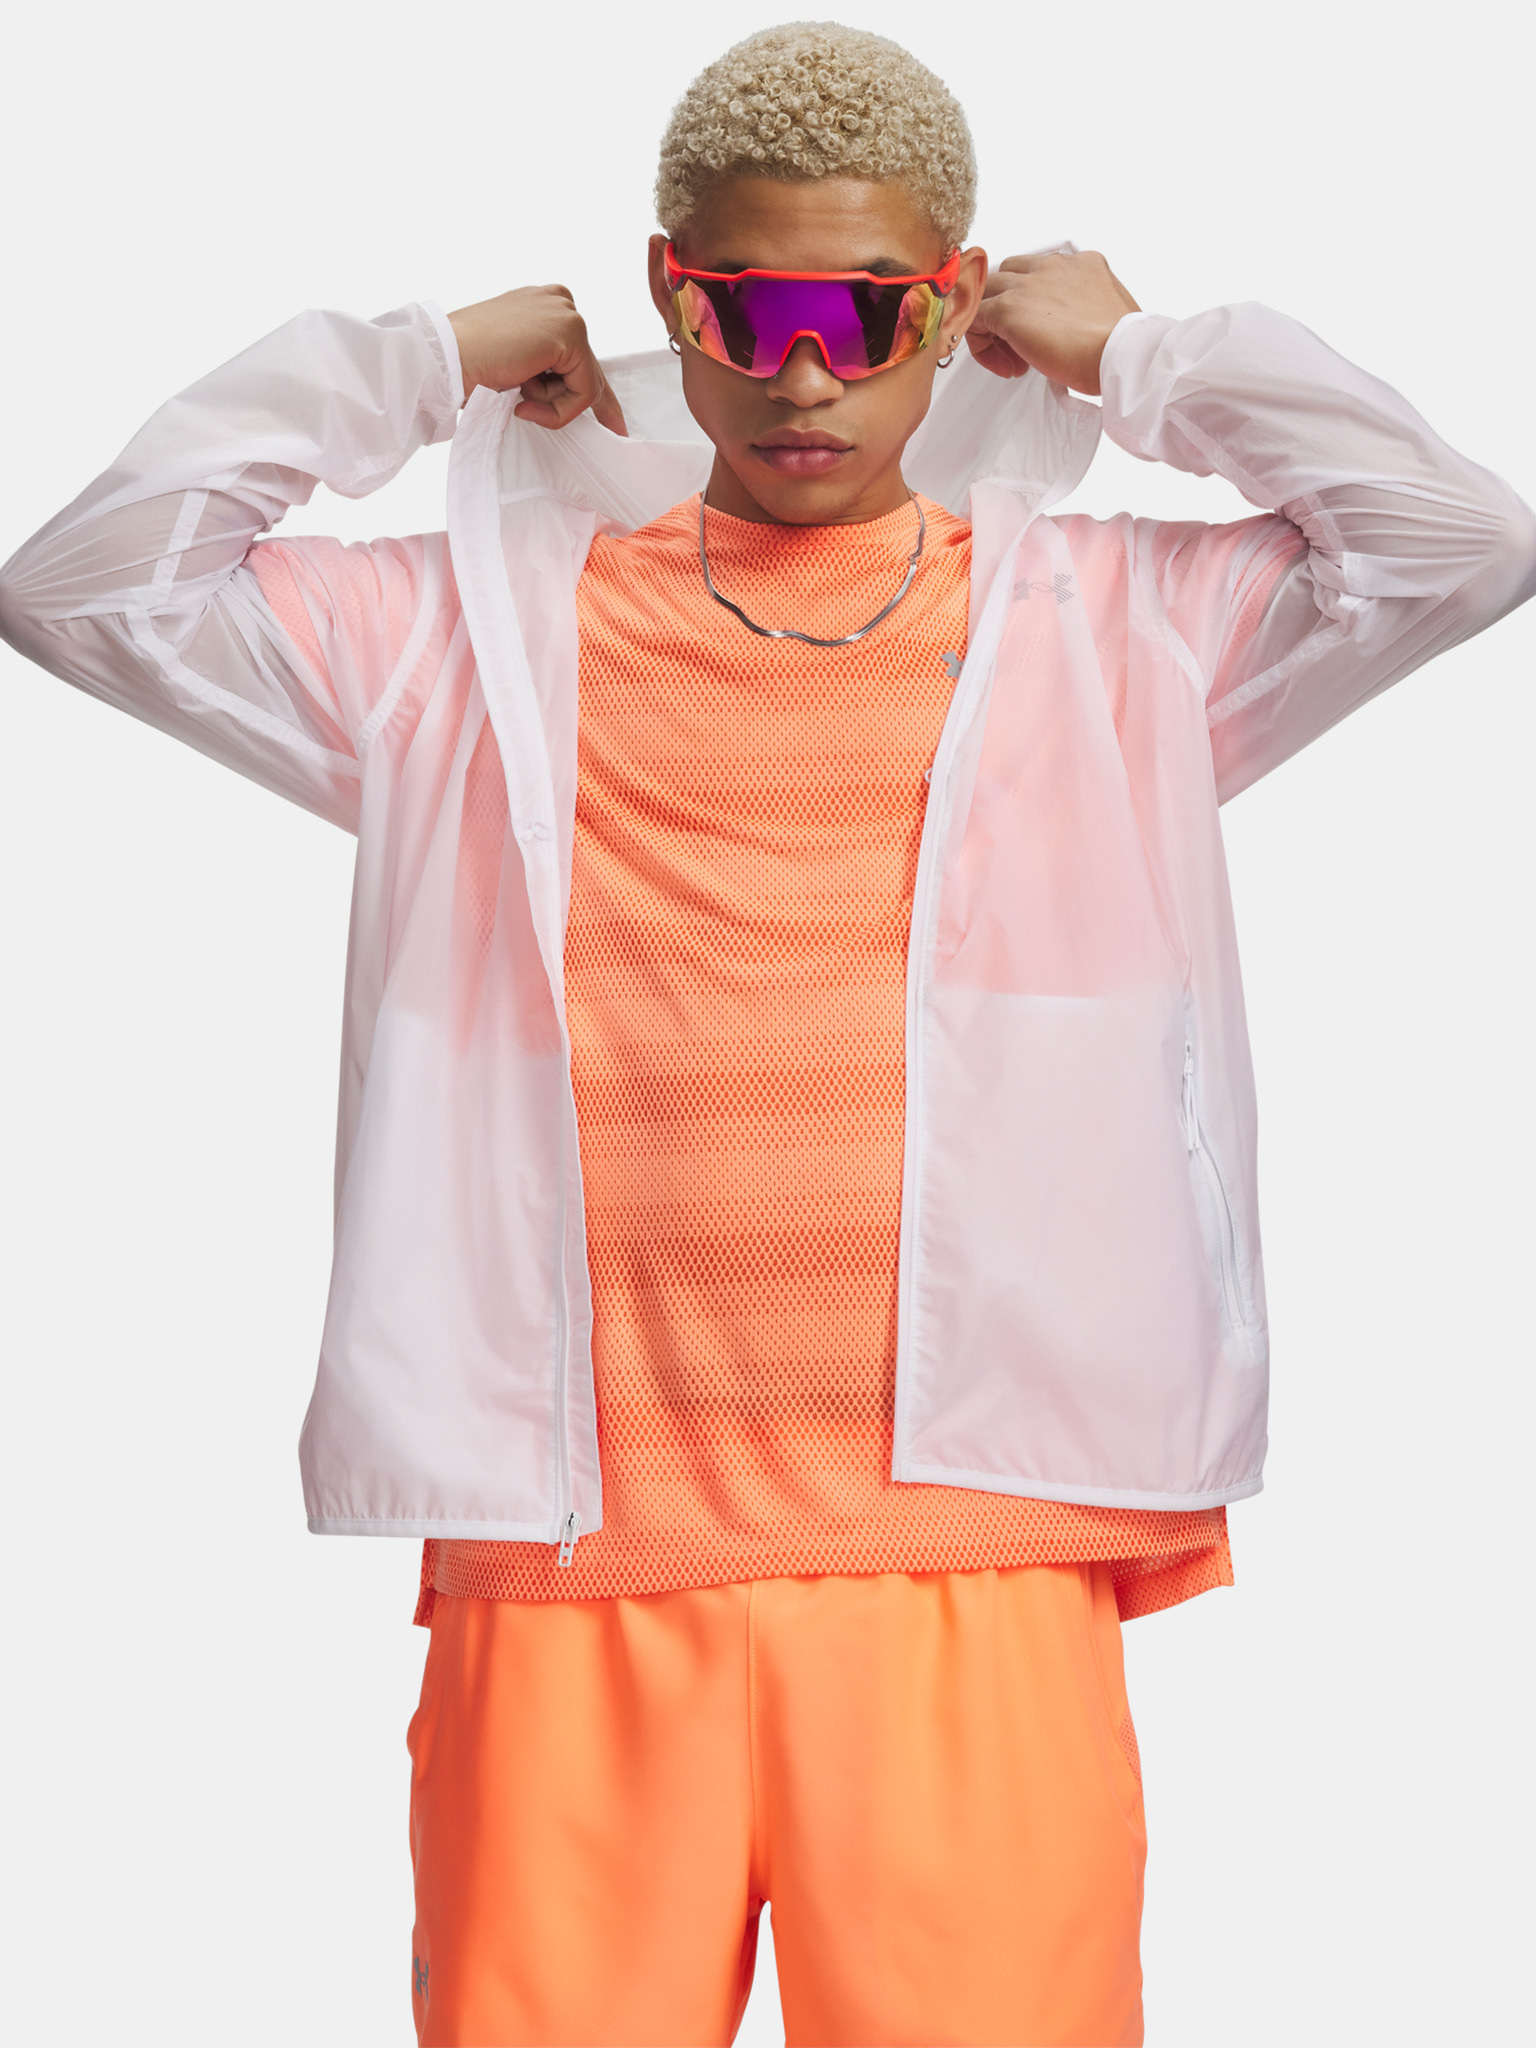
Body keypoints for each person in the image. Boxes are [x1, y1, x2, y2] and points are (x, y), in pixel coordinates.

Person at [2, 19, 1532, 2047]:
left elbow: (1457, 543)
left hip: (974, 1550)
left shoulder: (1112, 632)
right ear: (671, 296)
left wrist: (1146, 355)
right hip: (573, 1553)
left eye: (867, 312)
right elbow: (86, 588)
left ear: (950, 305)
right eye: (750, 309)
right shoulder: (470, 636)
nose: (807, 372)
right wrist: (421, 358)